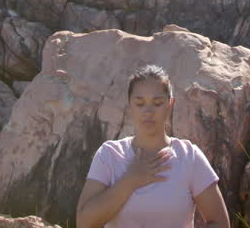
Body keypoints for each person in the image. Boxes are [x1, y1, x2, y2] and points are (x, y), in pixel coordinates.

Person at [76, 64, 229, 228]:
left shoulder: (189, 156)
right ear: (129, 105)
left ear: (170, 104)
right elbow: (84, 222)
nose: (148, 111)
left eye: (157, 103)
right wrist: (130, 180)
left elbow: (220, 223)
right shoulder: (108, 155)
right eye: (140, 103)